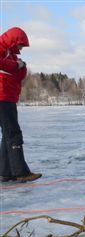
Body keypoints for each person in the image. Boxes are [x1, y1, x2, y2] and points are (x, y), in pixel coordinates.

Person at [0, 27, 41, 183]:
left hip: (8, 97)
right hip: (2, 97)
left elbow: (18, 76)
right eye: (20, 45)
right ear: (14, 40)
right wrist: (17, 65)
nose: (21, 49)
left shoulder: (10, 54)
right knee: (13, 134)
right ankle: (20, 172)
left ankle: (5, 172)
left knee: (8, 134)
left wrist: (21, 66)